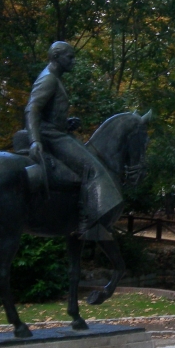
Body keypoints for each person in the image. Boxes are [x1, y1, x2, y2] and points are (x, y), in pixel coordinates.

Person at [26, 41, 121, 240]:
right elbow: (32, 109)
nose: (73, 61)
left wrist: (66, 123)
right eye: (70, 57)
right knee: (92, 169)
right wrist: (35, 140)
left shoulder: (54, 79)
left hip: (57, 132)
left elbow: (47, 113)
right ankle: (86, 224)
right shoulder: (49, 79)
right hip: (52, 136)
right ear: (56, 57)